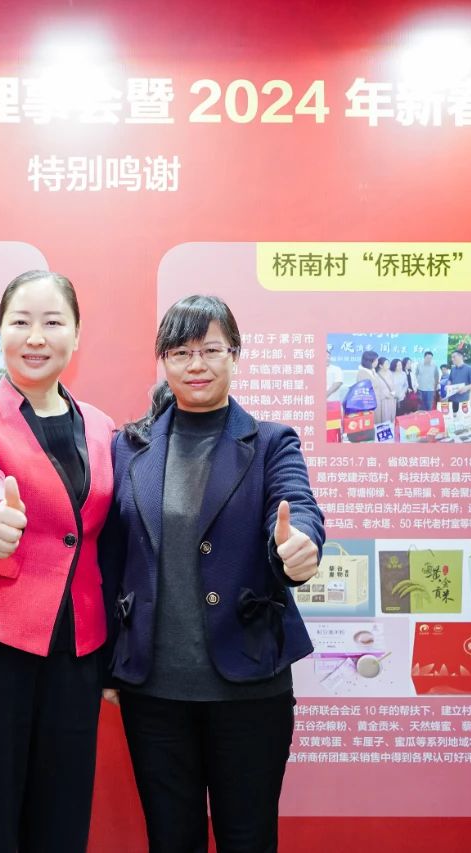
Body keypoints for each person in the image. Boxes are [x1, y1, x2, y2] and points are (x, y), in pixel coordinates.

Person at [102, 294, 324, 853]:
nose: (195, 364)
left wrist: (298, 548)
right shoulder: (129, 447)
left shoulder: (271, 442)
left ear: (235, 355)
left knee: (248, 838)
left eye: (210, 350)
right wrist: (106, 663)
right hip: (154, 691)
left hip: (249, 684)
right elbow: (111, 558)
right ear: (164, 361)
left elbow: (297, 508)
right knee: (170, 839)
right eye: (180, 352)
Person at [0, 270, 115, 853]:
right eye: (21, 322)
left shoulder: (103, 428)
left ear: (77, 335)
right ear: (0, 332)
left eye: (53, 322)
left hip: (75, 657)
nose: (36, 337)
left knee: (61, 828)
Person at [373, 356, 397, 426]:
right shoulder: (376, 376)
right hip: (383, 401)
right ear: (380, 366)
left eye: (388, 363)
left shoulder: (390, 373)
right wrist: (386, 395)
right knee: (384, 417)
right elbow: (377, 390)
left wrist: (393, 393)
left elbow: (393, 385)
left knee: (392, 416)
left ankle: (391, 429)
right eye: (386, 364)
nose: (388, 365)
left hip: (392, 399)